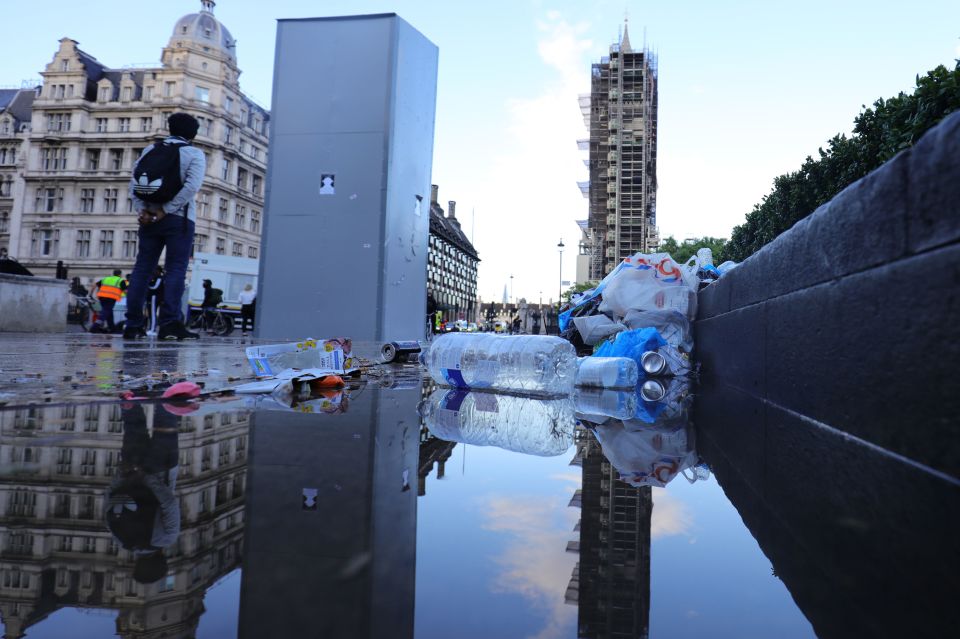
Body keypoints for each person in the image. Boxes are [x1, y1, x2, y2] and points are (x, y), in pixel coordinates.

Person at [122, 112, 206, 340]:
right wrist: (165, 210)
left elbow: (135, 182)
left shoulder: (151, 150)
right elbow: (191, 188)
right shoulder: (194, 154)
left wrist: (143, 210)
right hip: (178, 220)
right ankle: (169, 324)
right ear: (193, 134)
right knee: (176, 270)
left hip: (149, 219)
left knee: (141, 269)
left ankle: (132, 324)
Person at [104, 402, 181, 584]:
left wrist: (147, 477)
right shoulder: (120, 538)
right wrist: (125, 474)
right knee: (133, 426)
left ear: (160, 562)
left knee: (166, 424)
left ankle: (166, 389)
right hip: (131, 467)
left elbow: (169, 503)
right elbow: (109, 499)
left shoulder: (166, 538)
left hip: (161, 469)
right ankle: (130, 395)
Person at [145, 267, 164, 334]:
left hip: (154, 297)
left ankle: (153, 329)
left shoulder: (159, 278)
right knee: (150, 314)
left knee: (153, 314)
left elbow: (155, 287)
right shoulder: (153, 278)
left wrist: (147, 284)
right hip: (151, 297)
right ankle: (151, 328)